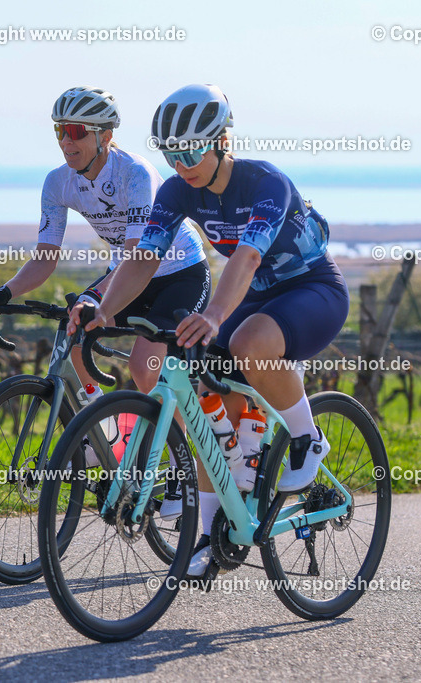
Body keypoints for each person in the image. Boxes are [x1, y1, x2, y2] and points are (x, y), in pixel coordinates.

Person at [69, 84, 350, 580]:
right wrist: (104, 310)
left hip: (312, 289)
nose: (181, 165)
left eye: (192, 151)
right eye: (171, 153)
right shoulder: (177, 191)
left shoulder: (266, 183)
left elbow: (248, 257)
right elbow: (144, 258)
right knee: (205, 399)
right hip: (255, 297)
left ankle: (308, 438)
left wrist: (216, 315)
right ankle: (212, 533)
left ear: (222, 141)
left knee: (245, 343)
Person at [0, 87, 210, 484]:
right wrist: (4, 292)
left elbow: (138, 255)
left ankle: (180, 468)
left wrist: (94, 298)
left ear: (106, 135)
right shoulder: (58, 183)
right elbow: (45, 257)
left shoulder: (135, 173)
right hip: (128, 272)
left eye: (77, 131)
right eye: (60, 131)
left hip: (178, 272)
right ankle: (104, 432)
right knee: (75, 333)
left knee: (145, 367)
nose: (67, 141)